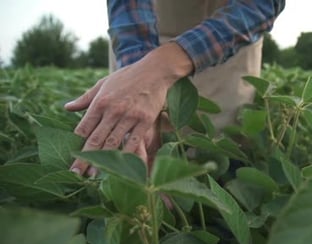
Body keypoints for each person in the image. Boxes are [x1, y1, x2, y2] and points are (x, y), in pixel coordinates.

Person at [64, 0, 285, 176]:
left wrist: (160, 67)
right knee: (135, 162)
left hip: (227, 41)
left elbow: (260, 4)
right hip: (139, 45)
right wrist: (140, 76)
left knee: (221, 157)